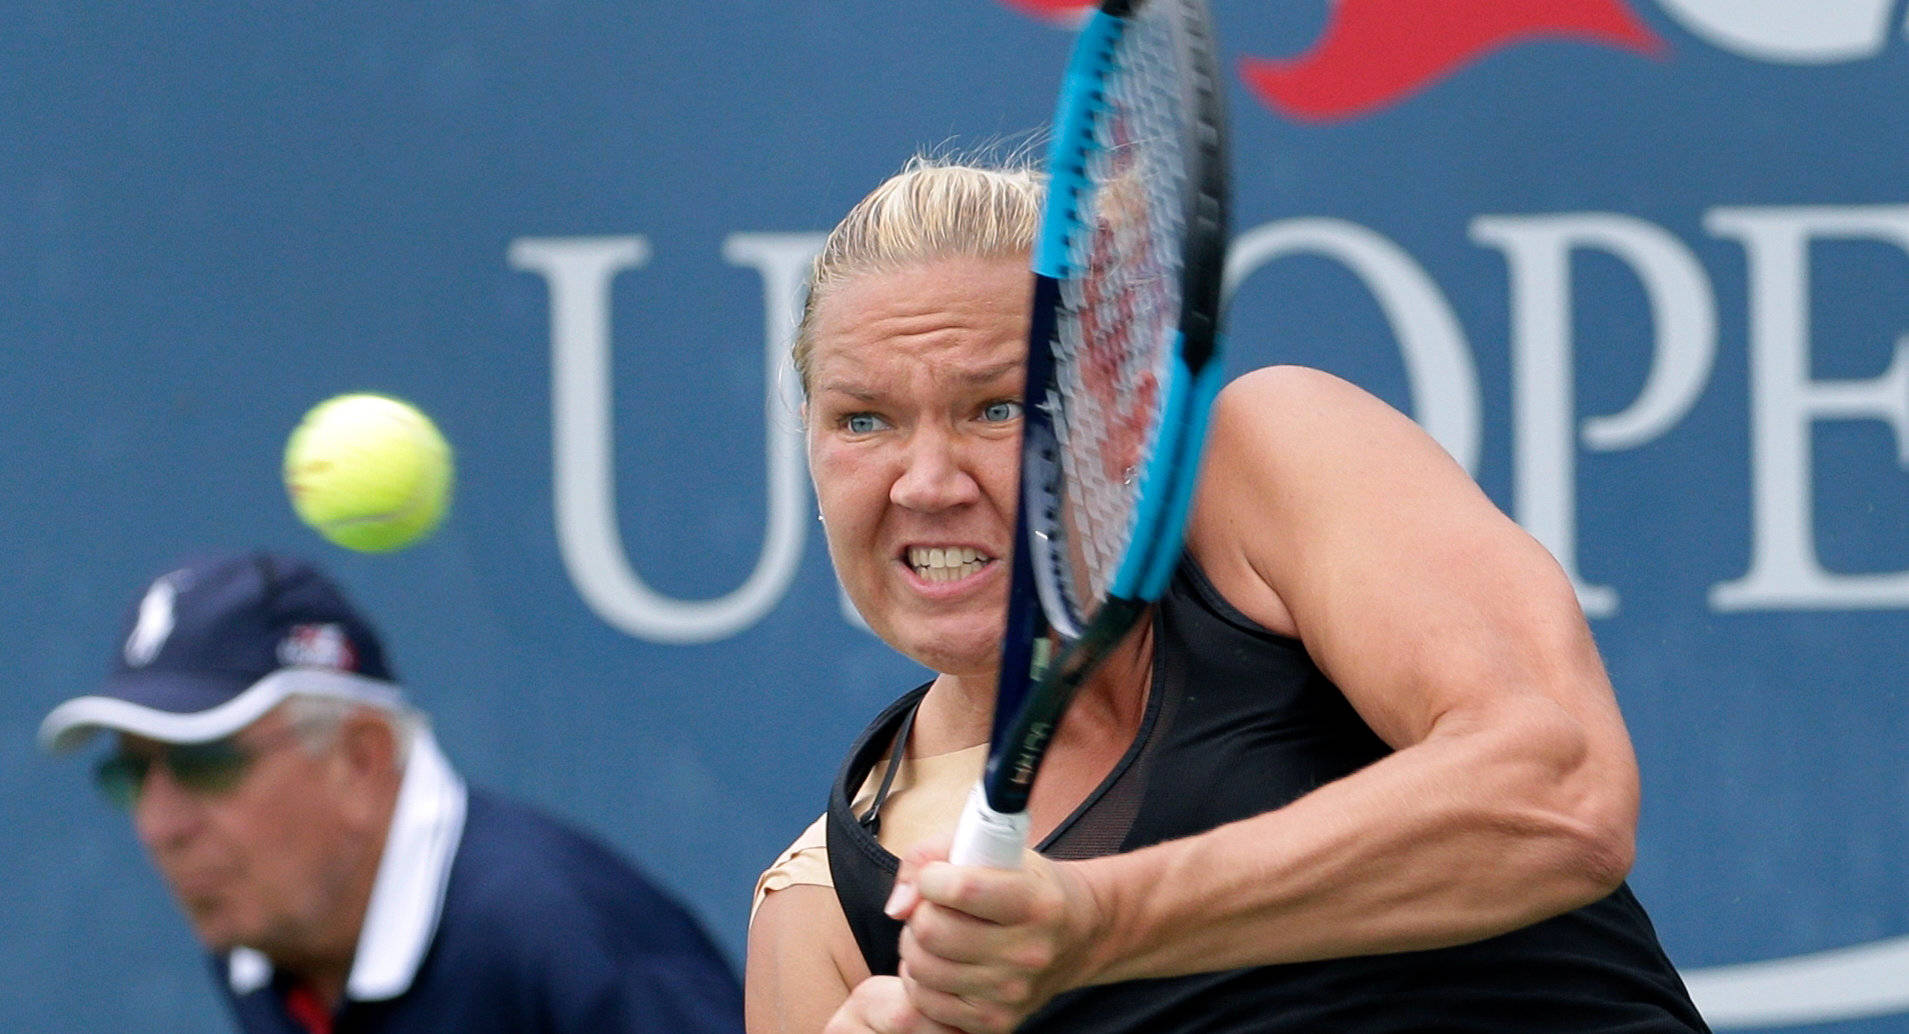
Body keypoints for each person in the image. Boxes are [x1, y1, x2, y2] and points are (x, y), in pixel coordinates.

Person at [744, 157, 1710, 1034]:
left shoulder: (1261, 462)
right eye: (862, 420)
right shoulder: (820, 904)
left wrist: (1100, 921)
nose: (925, 482)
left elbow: (1559, 795)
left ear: (1122, 417)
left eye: (997, 407)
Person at [41, 549, 745, 1034]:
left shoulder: (571, 941)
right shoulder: (261, 938)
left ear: (360, 759)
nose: (160, 826)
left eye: (205, 763)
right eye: (132, 774)